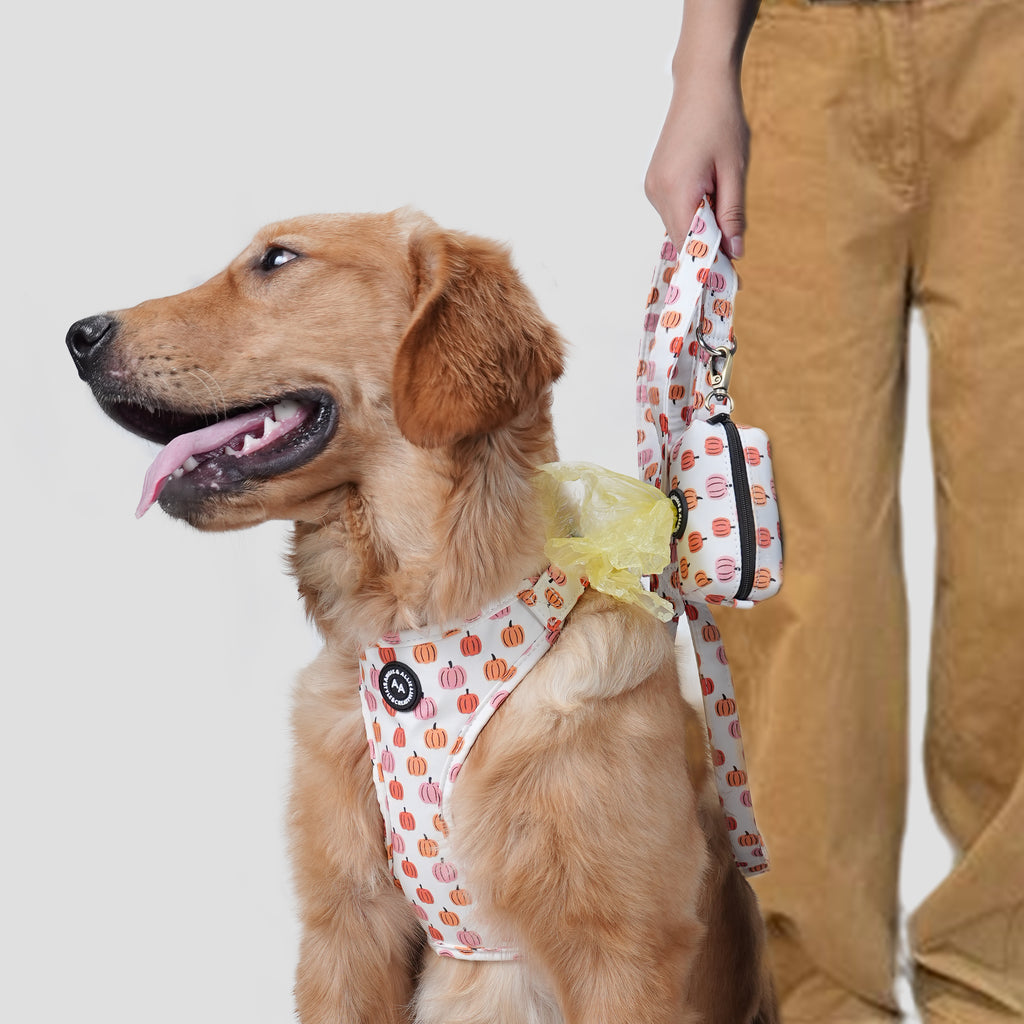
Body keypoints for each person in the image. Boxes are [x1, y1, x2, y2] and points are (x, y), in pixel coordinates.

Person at [645, 1, 1024, 1022]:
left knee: (1015, 557)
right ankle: (816, 994)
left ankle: (1003, 980)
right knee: (801, 566)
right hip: (803, 55)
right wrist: (700, 68)